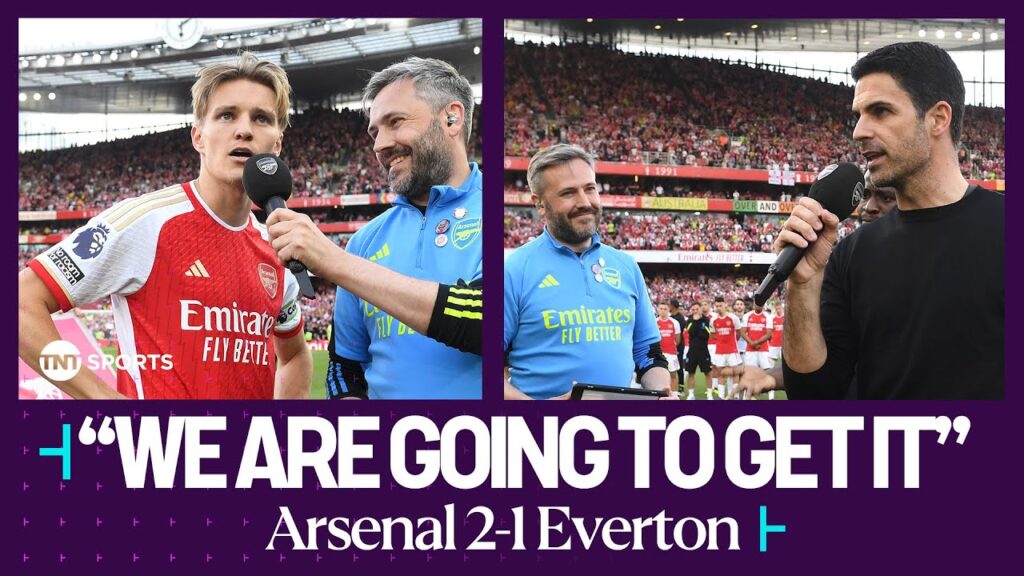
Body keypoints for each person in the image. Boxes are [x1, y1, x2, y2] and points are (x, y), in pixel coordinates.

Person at [18, 52, 312, 399]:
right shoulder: (144, 223)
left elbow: (293, 355)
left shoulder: (278, 252)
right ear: (198, 137)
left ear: (276, 145)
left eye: (261, 118)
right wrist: (99, 397)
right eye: (226, 115)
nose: (244, 130)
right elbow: (20, 304)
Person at [777, 42, 1003, 399]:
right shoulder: (850, 254)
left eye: (880, 111)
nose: (859, 131)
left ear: (938, 119)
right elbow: (813, 395)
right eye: (859, 115)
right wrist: (802, 287)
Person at [266, 57, 482, 400]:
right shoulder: (365, 241)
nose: (379, 145)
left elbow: (484, 322)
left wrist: (335, 263)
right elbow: (343, 369)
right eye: (374, 132)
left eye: (395, 122)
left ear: (452, 118)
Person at [503, 144, 670, 399]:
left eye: (590, 189)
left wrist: (660, 392)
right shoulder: (513, 271)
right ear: (540, 204)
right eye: (568, 193)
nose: (584, 202)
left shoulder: (627, 266)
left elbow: (648, 353)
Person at [710, 297, 742, 399]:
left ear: (725, 305)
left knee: (735, 373)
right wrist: (721, 340)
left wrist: (730, 341)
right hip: (719, 351)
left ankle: (736, 395)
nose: (718, 308)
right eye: (717, 306)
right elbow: (713, 334)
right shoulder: (713, 320)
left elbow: (738, 332)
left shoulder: (733, 318)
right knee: (721, 374)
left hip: (732, 350)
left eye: (720, 306)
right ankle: (721, 396)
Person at [682, 303, 713, 400]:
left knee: (708, 372)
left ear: (701, 309)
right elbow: (691, 332)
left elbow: (705, 335)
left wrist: (699, 325)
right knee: (691, 373)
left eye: (697, 309)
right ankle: (691, 394)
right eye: (693, 309)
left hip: (703, 350)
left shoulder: (706, 320)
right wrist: (696, 322)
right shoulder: (690, 320)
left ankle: (709, 394)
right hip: (692, 351)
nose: (695, 311)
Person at [656, 302, 682, 391]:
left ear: (668, 310)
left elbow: (677, 340)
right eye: (661, 309)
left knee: (673, 374)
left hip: (671, 353)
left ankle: (673, 394)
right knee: (659, 376)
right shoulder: (654, 322)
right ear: (658, 310)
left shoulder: (675, 322)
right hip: (659, 354)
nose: (663, 311)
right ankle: (660, 395)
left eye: (665, 309)